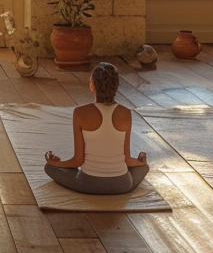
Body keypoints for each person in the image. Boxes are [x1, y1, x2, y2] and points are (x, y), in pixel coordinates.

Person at [44, 61, 149, 194]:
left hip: (88, 184)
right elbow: (127, 159)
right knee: (144, 168)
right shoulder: (126, 113)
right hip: (122, 185)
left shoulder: (80, 113)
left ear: (92, 85)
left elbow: (78, 160)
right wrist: (140, 163)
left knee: (49, 168)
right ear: (116, 86)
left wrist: (56, 163)